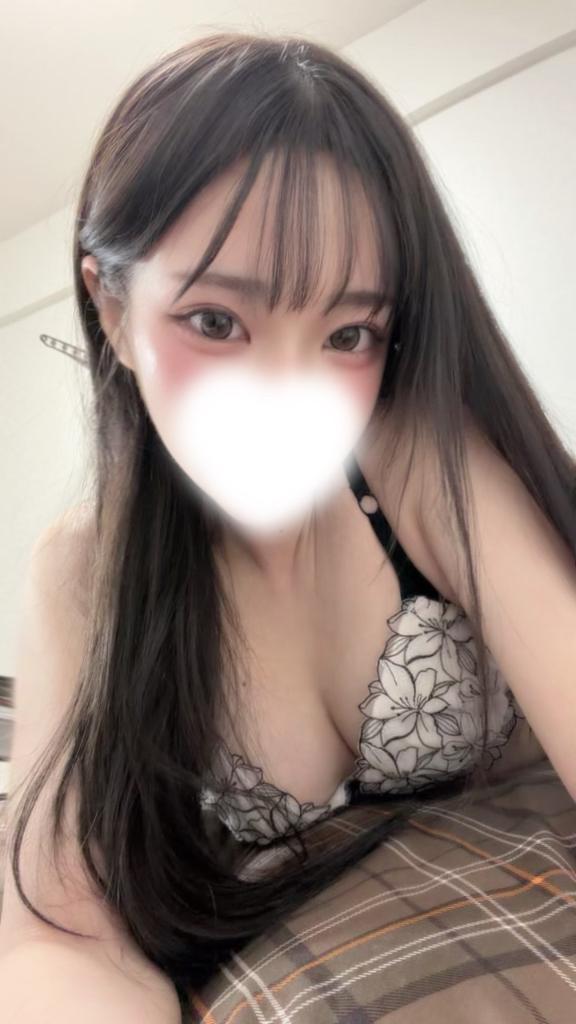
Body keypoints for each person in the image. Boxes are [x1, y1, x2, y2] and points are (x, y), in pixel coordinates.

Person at [1, 31, 575, 1021]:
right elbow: (59, 936)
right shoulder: (85, 568)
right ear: (111, 307)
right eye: (216, 322)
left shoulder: (417, 460)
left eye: (348, 333)